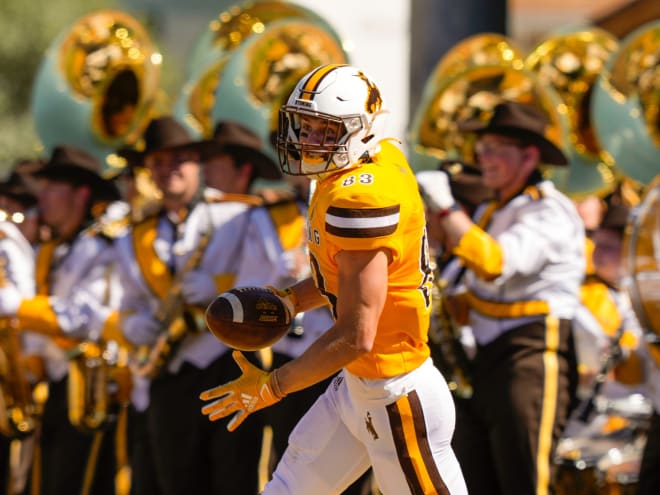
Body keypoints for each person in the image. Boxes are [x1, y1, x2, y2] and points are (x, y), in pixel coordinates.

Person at [200, 64, 468, 495]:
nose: (307, 140)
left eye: (325, 131)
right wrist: (290, 299)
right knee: (286, 487)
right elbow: (346, 278)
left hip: (396, 395)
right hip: (359, 386)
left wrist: (274, 386)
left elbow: (356, 334)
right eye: (304, 126)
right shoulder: (369, 163)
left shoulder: (360, 197)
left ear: (361, 131)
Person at [416, 100, 584, 495]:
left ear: (529, 156)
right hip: (488, 359)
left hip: (530, 354)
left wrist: (445, 206)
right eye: (482, 148)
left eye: (495, 149)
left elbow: (494, 262)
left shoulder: (550, 211)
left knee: (524, 480)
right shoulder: (493, 209)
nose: (482, 158)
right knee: (478, 480)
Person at [114, 116, 278, 495]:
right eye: (158, 162)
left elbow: (270, 278)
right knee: (177, 481)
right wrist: (132, 323)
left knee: (234, 478)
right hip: (168, 372)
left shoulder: (240, 214)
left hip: (228, 365)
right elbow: (128, 302)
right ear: (148, 172)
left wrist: (218, 288)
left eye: (179, 159)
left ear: (197, 164)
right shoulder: (133, 236)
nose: (169, 169)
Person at [0, 145, 124, 495]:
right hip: (56, 391)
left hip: (89, 391)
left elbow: (82, 318)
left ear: (80, 194)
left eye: (52, 186)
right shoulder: (52, 250)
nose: (43, 196)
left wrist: (16, 306)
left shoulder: (101, 248)